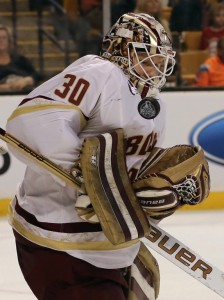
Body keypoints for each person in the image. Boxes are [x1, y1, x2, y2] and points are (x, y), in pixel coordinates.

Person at [5, 13, 209, 300]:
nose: (156, 67)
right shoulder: (99, 72)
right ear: (120, 51)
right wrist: (89, 178)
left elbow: (128, 170)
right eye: (146, 57)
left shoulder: (153, 102)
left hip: (107, 246)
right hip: (61, 242)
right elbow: (34, 122)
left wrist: (153, 196)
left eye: (160, 60)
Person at [0, 24, 40, 93]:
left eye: (4, 38)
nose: (1, 40)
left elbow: (36, 76)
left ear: (9, 40)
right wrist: (7, 86)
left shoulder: (20, 60)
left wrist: (26, 80)